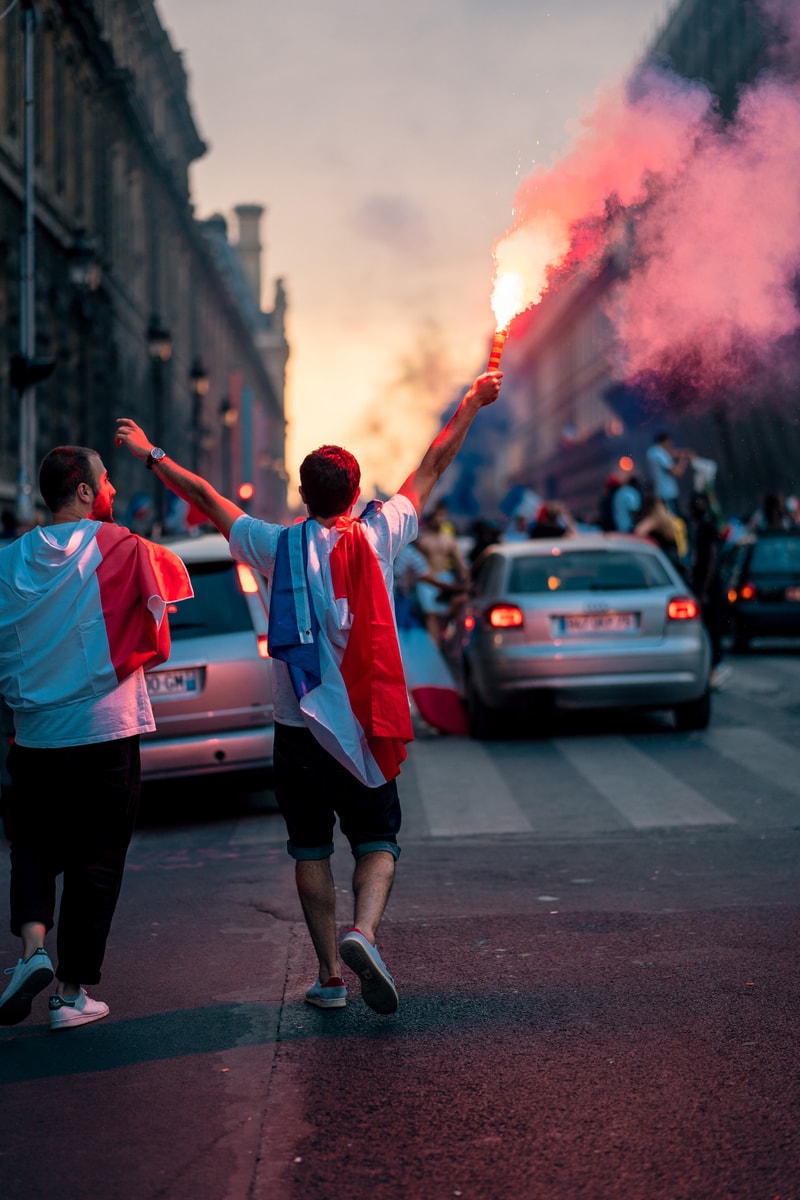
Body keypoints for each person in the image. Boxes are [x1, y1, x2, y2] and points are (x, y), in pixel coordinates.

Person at [115, 370, 502, 1015]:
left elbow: (208, 498)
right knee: (379, 840)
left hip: (297, 731)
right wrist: (470, 404)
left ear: (302, 494)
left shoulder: (273, 546)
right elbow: (433, 464)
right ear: (355, 493)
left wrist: (152, 452)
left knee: (310, 847)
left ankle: (328, 975)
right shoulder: (381, 535)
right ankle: (365, 931)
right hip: (364, 724)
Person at [0, 446, 192, 1030]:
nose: (110, 490)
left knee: (33, 845)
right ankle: (69, 994)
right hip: (105, 732)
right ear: (84, 491)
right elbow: (161, 613)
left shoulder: (8, 562)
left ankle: (31, 948)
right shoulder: (123, 548)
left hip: (33, 738)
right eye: (105, 480)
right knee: (97, 860)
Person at [688, 492, 730, 689]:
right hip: (705, 586)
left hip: (710, 588)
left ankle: (717, 666)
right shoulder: (697, 529)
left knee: (713, 627)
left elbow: (712, 559)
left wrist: (704, 587)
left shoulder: (708, 529)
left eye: (700, 503)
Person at [415, 501, 471, 643]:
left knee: (448, 612)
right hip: (429, 581)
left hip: (445, 577)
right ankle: (435, 645)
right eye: (436, 518)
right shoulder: (423, 541)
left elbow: (460, 562)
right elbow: (418, 564)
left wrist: (465, 576)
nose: (439, 521)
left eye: (441, 518)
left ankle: (446, 638)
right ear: (430, 521)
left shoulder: (448, 540)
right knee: (431, 615)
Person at [646, 432, 693, 515]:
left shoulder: (652, 452)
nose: (671, 444)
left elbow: (671, 453)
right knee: (676, 521)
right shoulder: (659, 453)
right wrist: (683, 460)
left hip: (661, 492)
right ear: (665, 441)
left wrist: (683, 453)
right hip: (668, 493)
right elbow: (678, 472)